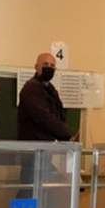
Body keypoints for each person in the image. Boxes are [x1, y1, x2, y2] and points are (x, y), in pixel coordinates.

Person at [17, 53, 74, 197]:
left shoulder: (50, 90)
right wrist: (66, 134)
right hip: (33, 151)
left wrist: (64, 132)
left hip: (45, 150)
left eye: (52, 66)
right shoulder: (31, 88)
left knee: (41, 192)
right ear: (36, 67)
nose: (49, 68)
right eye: (45, 65)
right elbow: (44, 117)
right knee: (29, 190)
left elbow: (58, 115)